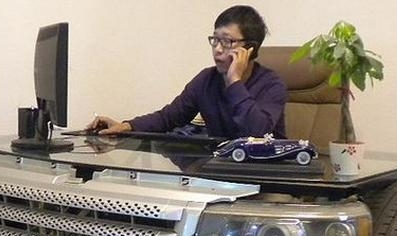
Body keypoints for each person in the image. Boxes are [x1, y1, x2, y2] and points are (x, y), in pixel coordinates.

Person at [88, 5, 287, 139]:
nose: (217, 49)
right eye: (215, 40)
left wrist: (234, 81)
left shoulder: (271, 85)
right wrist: (125, 126)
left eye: (227, 41)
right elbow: (168, 117)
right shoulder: (206, 80)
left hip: (266, 175)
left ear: (250, 48)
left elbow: (256, 133)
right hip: (222, 172)